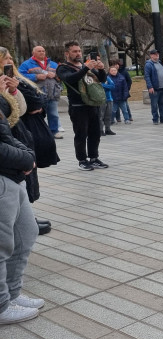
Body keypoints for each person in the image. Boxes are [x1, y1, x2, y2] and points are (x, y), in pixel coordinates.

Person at [0, 47, 59, 235]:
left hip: (20, 136)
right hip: (9, 139)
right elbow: (8, 116)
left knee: (26, 180)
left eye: (10, 57)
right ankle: (20, 219)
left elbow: (28, 106)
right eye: (5, 58)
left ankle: (25, 216)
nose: (10, 61)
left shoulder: (14, 79)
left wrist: (14, 91)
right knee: (16, 179)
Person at [0, 107, 41, 325]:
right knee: (2, 245)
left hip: (12, 176)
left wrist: (26, 155)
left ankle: (12, 295)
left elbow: (8, 130)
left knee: (26, 232)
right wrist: (25, 159)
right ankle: (1, 305)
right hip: (4, 175)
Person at [57, 42, 109, 171]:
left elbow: (101, 80)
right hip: (78, 105)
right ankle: (82, 160)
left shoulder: (86, 65)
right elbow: (70, 79)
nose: (78, 53)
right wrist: (85, 68)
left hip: (92, 104)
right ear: (67, 53)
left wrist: (101, 69)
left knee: (95, 133)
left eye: (79, 51)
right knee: (81, 134)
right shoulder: (63, 68)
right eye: (74, 51)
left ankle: (94, 158)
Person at [19, 45, 64, 139]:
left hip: (53, 93)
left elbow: (62, 76)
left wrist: (56, 76)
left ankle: (54, 131)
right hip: (37, 95)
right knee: (38, 115)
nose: (42, 52)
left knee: (53, 114)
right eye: (39, 51)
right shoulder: (26, 64)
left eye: (43, 51)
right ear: (33, 53)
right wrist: (36, 77)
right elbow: (20, 76)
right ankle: (40, 132)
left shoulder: (53, 64)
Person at [144, 49, 163, 124]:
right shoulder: (148, 64)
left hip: (162, 88)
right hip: (154, 88)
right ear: (151, 55)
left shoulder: (160, 63)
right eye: (154, 54)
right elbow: (147, 76)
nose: (156, 55)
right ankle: (155, 119)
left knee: (162, 104)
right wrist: (150, 86)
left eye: (157, 54)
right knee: (154, 105)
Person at [100, 69, 115, 135]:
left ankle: (108, 129)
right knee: (101, 116)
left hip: (109, 99)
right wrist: (106, 86)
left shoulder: (108, 78)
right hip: (101, 99)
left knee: (108, 115)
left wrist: (103, 85)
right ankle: (100, 130)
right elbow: (98, 87)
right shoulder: (97, 78)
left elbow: (112, 86)